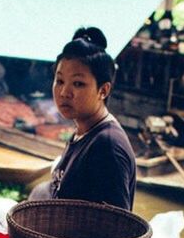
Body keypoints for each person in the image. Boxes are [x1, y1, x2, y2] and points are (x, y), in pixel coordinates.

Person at [49, 27, 136, 209]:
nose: (64, 92)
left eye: (78, 84)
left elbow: (119, 230)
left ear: (103, 90)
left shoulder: (108, 145)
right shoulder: (81, 131)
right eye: (60, 81)